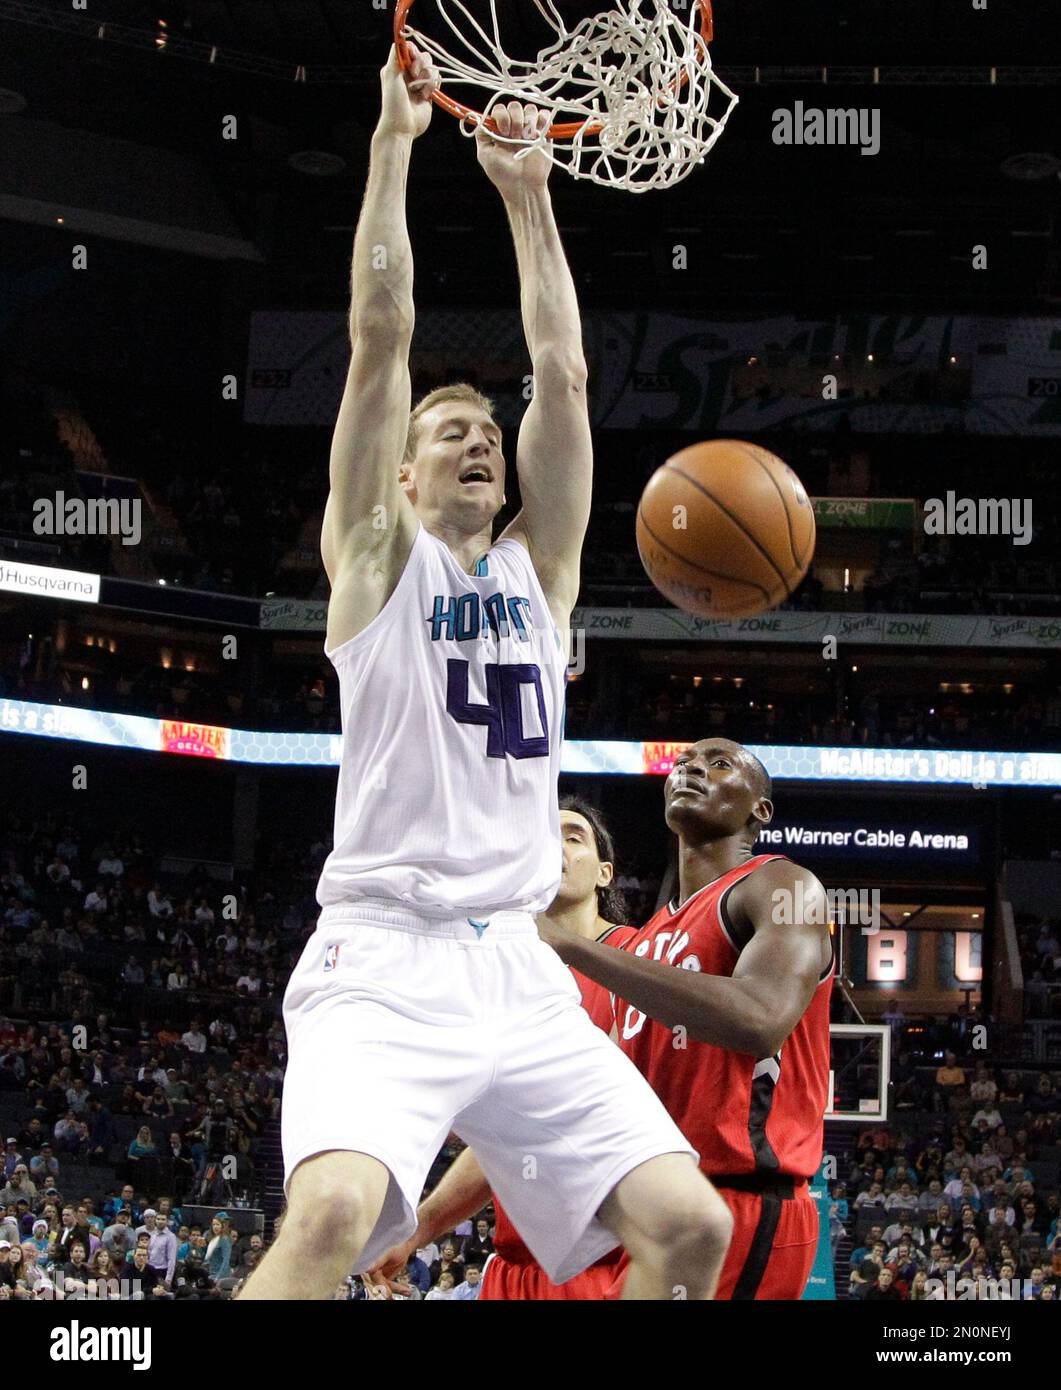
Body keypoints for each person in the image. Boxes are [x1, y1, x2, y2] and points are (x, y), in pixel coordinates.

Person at [236, 44, 730, 1303]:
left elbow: (559, 372)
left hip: (514, 964)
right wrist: (394, 145)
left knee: (689, 1230)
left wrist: (527, 193)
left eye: (480, 430)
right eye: (442, 429)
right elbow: (378, 335)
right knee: (331, 1215)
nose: (470, 436)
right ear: (398, 481)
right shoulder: (373, 565)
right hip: (384, 955)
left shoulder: (537, 573)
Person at [538, 739, 834, 1300]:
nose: (693, 767)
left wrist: (572, 947)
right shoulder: (648, 939)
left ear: (760, 811)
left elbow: (761, 1018)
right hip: (658, 1204)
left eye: (719, 764)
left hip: (743, 1200)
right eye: (684, 763)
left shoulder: (785, 886)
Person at [373, 800, 642, 1300]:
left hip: (608, 1265)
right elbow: (495, 1142)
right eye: (542, 835)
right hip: (512, 1266)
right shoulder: (505, 973)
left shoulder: (642, 963)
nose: (554, 845)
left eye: (573, 836)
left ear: (605, 874)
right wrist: (418, 1229)